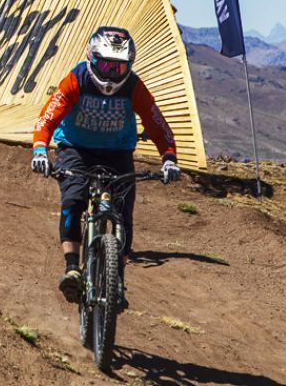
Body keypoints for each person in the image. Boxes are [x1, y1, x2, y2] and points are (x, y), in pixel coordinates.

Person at [30, 26, 180, 308]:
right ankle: (72, 267)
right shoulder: (76, 79)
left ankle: (118, 281)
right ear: (91, 58)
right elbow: (48, 116)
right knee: (73, 200)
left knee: (124, 214)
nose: (111, 73)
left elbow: (156, 123)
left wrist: (169, 157)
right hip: (76, 149)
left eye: (119, 67)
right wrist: (40, 149)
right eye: (105, 65)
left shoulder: (134, 86)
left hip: (117, 152)